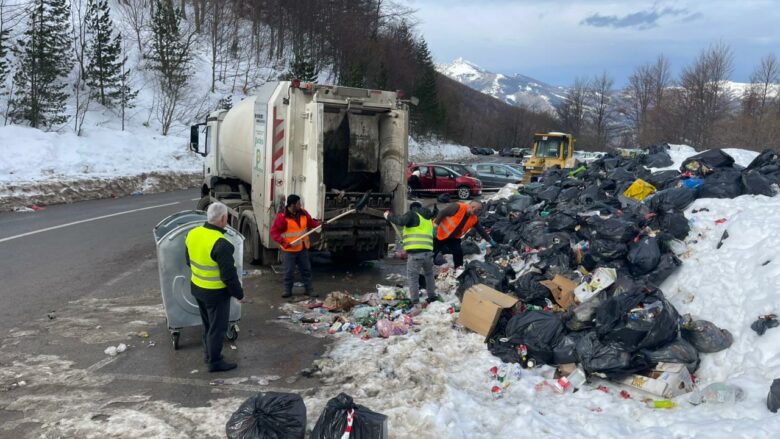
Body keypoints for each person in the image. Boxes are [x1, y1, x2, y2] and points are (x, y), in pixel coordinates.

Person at [185, 202, 244, 373]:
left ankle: (208, 354)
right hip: (216, 294)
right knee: (217, 329)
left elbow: (188, 261)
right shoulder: (222, 243)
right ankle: (215, 362)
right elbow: (229, 276)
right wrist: (239, 294)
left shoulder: (193, 233)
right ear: (224, 219)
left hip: (197, 288)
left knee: (208, 325)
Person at [384, 202, 438, 304]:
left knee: (413, 278)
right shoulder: (427, 219)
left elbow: (400, 221)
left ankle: (415, 301)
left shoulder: (412, 214)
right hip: (428, 252)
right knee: (429, 275)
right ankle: (432, 297)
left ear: (412, 208)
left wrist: (388, 215)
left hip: (416, 254)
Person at [270, 194, 320, 298]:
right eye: (298, 203)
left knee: (306, 270)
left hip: (302, 248)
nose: (300, 205)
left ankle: (309, 290)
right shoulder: (282, 218)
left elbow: (310, 223)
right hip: (289, 250)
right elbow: (274, 233)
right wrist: (283, 242)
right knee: (289, 272)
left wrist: (320, 224)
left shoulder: (303, 213)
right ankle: (287, 290)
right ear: (292, 205)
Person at [434, 200, 495, 268]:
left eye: (478, 210)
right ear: (470, 205)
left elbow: (481, 230)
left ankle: (459, 269)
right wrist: (435, 226)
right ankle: (427, 266)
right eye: (473, 207)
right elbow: (442, 213)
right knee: (433, 251)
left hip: (453, 237)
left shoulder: (474, 219)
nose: (475, 210)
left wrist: (489, 240)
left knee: (458, 252)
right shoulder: (458, 207)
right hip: (440, 233)